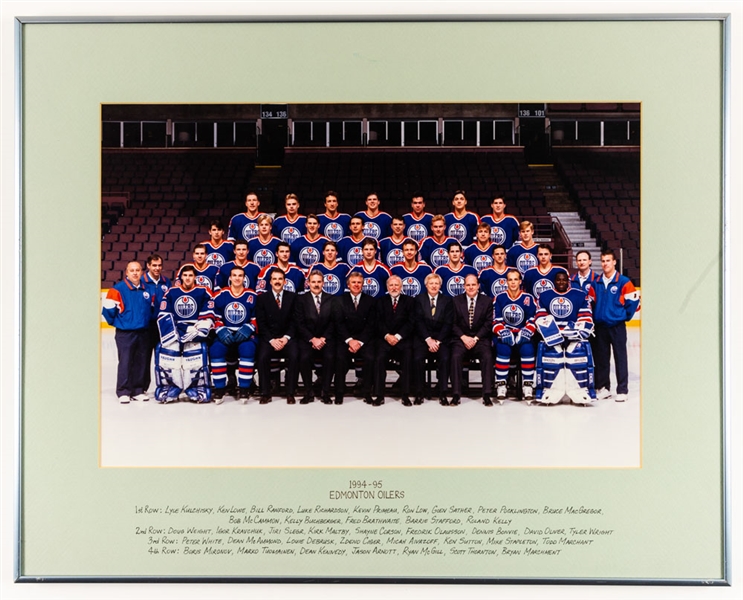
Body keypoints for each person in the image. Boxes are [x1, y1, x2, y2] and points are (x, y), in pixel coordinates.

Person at [533, 271, 595, 406]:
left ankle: (581, 389)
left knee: (578, 352)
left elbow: (586, 316)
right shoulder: (545, 295)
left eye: (564, 280)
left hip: (573, 336)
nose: (561, 283)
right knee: (551, 354)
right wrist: (553, 332)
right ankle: (549, 389)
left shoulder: (579, 295)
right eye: (558, 280)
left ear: (568, 281)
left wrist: (576, 331)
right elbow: (540, 317)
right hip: (552, 336)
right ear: (554, 281)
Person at [154, 265, 214, 403]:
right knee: (167, 355)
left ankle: (196, 388)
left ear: (195, 277)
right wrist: (176, 330)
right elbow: (164, 314)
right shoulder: (171, 292)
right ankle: (170, 388)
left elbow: (209, 313)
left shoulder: (203, 291)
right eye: (185, 275)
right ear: (180, 277)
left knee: (196, 358)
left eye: (190, 275)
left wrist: (199, 329)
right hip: (176, 330)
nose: (187, 278)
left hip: (195, 331)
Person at [589, 250, 641, 403]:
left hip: (617, 326)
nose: (605, 264)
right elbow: (591, 303)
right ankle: (603, 388)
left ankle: (622, 389)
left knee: (620, 357)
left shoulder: (624, 281)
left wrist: (623, 316)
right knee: (602, 359)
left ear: (614, 262)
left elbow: (633, 302)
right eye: (603, 261)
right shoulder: (596, 282)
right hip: (600, 326)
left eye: (608, 261)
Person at [102, 261, 155, 404]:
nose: (135, 273)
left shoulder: (147, 289)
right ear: (126, 272)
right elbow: (107, 312)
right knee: (125, 361)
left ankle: (138, 390)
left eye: (138, 270)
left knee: (141, 362)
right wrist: (121, 323)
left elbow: (151, 309)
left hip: (143, 332)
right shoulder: (117, 289)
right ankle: (123, 391)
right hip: (125, 334)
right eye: (132, 270)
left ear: (142, 272)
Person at [209, 266, 258, 404]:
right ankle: (220, 389)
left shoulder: (252, 295)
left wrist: (249, 327)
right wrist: (220, 329)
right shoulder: (221, 295)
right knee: (216, 350)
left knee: (248, 350)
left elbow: (256, 317)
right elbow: (215, 317)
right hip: (226, 332)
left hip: (246, 334)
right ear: (230, 277)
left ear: (244, 278)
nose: (237, 278)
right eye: (234, 275)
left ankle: (244, 389)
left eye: (240, 275)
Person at [255, 269, 300, 405]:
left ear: (285, 281)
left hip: (287, 337)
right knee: (262, 357)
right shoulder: (262, 298)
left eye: (280, 279)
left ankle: (290, 392)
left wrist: (286, 338)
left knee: (295, 355)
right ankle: (265, 393)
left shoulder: (293, 297)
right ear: (270, 281)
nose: (277, 281)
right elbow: (261, 323)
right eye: (274, 279)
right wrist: (271, 340)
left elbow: (295, 321)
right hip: (269, 338)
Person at [492, 269, 538, 403]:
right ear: (506, 282)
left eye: (515, 279)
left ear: (520, 281)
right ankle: (501, 384)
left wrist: (527, 331)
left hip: (522, 334)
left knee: (528, 349)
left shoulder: (528, 298)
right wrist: (502, 331)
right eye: (510, 280)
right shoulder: (500, 297)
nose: (513, 282)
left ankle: (527, 385)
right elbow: (496, 320)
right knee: (502, 349)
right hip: (506, 334)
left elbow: (532, 319)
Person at [334, 272, 377, 405]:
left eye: (359, 282)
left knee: (370, 358)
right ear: (348, 284)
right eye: (354, 282)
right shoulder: (339, 300)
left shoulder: (370, 301)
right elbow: (338, 323)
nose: (356, 285)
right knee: (340, 358)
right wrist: (349, 340)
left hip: (363, 340)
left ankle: (366, 392)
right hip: (346, 340)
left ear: (363, 284)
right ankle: (339, 392)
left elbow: (371, 324)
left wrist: (360, 342)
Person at [450, 274, 493, 406]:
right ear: (464, 286)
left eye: (473, 284)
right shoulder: (456, 301)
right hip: (461, 338)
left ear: (478, 286)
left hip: (479, 339)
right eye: (468, 285)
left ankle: (486, 394)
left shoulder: (487, 301)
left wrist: (475, 338)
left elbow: (488, 323)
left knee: (487, 356)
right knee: (455, 356)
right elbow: (452, 323)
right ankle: (456, 394)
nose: (471, 287)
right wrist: (463, 337)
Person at [295, 270, 337, 404]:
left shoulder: (331, 299)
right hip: (308, 339)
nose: (316, 284)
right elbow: (299, 323)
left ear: (323, 283)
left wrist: (324, 338)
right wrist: (312, 339)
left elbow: (334, 322)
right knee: (304, 357)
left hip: (326, 339)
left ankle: (325, 391)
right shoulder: (301, 299)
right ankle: (309, 392)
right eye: (313, 282)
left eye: (319, 282)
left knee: (330, 357)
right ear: (308, 283)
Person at [374, 275, 415, 406]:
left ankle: (406, 394)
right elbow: (377, 322)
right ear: (387, 287)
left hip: (402, 340)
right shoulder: (380, 301)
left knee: (408, 357)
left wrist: (397, 336)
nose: (394, 287)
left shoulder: (409, 301)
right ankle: (379, 395)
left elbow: (411, 322)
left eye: (396, 285)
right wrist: (387, 335)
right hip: (385, 340)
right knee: (379, 358)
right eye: (391, 285)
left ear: (401, 287)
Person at [413, 273, 454, 405]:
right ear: (426, 285)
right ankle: (419, 392)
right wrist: (428, 339)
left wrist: (437, 341)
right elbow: (418, 322)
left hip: (441, 339)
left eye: (436, 283)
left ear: (440, 285)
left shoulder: (447, 300)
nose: (434, 286)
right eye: (431, 283)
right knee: (418, 358)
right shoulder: (418, 299)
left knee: (445, 358)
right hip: (423, 338)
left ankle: (443, 392)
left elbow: (448, 323)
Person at [141, 254, 172, 395]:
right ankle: (142, 387)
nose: (157, 268)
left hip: (162, 326)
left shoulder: (166, 282)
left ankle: (165, 385)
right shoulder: (141, 281)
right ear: (148, 266)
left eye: (159, 265)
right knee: (144, 357)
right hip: (146, 326)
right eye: (154, 265)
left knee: (164, 357)